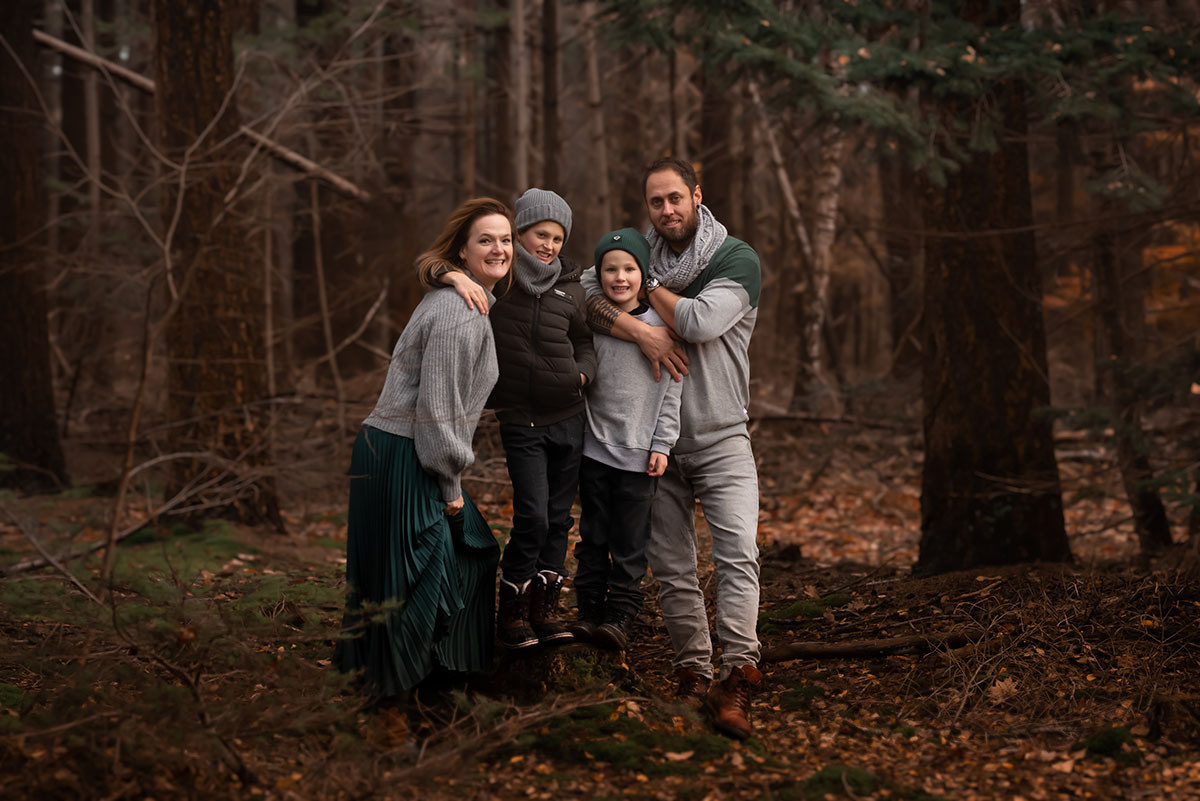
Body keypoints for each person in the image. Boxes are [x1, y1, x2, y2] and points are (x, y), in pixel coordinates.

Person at [582, 158, 763, 739]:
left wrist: (651, 288)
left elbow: (699, 321)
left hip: (722, 437)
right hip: (650, 446)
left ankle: (737, 675)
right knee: (673, 568)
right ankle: (693, 670)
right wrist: (636, 329)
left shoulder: (734, 258)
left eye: (675, 199)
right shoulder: (632, 254)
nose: (667, 210)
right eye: (656, 202)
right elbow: (584, 294)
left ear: (697, 196)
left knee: (738, 552)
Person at [335, 198, 513, 701]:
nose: (499, 248)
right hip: (404, 453)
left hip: (386, 448)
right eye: (486, 239)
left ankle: (429, 689)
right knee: (418, 581)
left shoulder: (463, 299)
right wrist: (451, 486)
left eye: (505, 239)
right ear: (463, 250)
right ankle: (397, 708)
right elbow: (437, 409)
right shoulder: (461, 312)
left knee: (452, 562)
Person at [422, 188, 597, 650]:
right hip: (522, 419)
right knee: (533, 516)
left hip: (570, 416)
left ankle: (546, 607)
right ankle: (513, 608)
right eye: (541, 234)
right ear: (518, 234)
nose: (549, 245)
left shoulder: (573, 287)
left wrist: (583, 374)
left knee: (560, 518)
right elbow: (438, 264)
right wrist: (451, 278)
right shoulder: (502, 279)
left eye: (558, 237)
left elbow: (584, 341)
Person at [571, 229, 682, 651]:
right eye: (610, 269)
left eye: (629, 269)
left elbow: (673, 392)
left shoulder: (660, 327)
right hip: (594, 449)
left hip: (639, 455)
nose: (620, 277)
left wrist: (662, 444)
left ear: (644, 273)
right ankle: (588, 611)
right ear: (598, 275)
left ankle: (620, 615)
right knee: (593, 535)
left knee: (631, 542)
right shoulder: (594, 323)